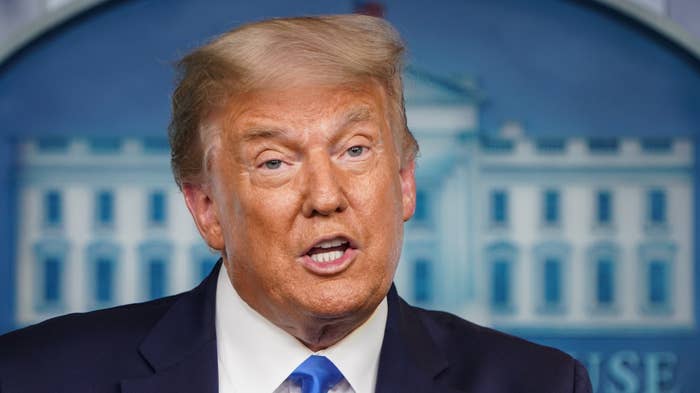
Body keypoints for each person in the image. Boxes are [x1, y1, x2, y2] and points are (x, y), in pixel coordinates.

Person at [0, 15, 592, 393]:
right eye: (275, 162)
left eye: (355, 150)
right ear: (206, 208)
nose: (326, 198)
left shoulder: (537, 384)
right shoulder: (34, 377)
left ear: (406, 183)